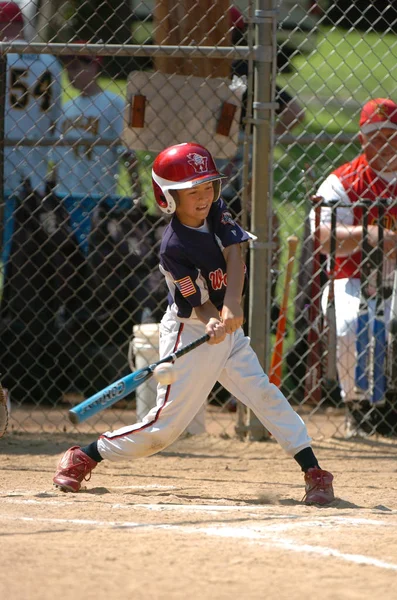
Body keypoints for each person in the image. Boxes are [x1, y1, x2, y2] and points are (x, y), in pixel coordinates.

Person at [53, 142, 335, 506]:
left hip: (226, 328)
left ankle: (314, 471)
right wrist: (213, 319)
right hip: (192, 329)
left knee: (263, 394)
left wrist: (232, 304)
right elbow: (195, 302)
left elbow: (235, 251)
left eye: (207, 187)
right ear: (168, 198)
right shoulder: (173, 247)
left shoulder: (217, 211)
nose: (203, 197)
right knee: (164, 430)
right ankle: (86, 455)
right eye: (191, 192)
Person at [49, 45, 166, 402]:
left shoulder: (114, 104)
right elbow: (56, 156)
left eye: (81, 64)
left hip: (99, 197)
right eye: (70, 65)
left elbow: (127, 152)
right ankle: (69, 331)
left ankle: (96, 328)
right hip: (68, 196)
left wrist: (135, 194)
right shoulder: (66, 108)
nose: (73, 72)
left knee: (99, 264)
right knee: (68, 267)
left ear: (95, 67)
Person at [311, 97, 397, 435]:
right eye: (375, 136)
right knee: (350, 325)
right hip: (352, 274)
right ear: (362, 138)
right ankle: (359, 409)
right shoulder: (343, 181)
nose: (384, 144)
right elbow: (322, 237)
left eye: (390, 134)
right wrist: (370, 234)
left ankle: (391, 406)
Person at [0, 1, 63, 404]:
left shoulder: (4, 59)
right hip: (37, 179)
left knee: (14, 271)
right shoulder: (50, 63)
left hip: (7, 175)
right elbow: (55, 122)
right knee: (23, 271)